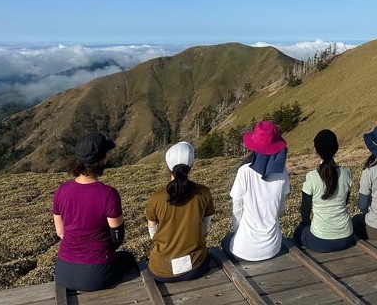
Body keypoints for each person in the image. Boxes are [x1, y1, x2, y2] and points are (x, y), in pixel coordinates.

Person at [52, 133, 136, 291]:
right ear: (102, 159)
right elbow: (117, 237)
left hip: (63, 272)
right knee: (128, 258)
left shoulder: (61, 191)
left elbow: (60, 232)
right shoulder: (108, 194)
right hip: (97, 275)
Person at [145, 142, 214, 282]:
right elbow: (206, 228)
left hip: (161, 270)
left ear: (168, 167)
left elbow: (152, 231)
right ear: (191, 166)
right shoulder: (204, 193)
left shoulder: (156, 198)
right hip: (195, 267)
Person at [225, 121, 290, 261]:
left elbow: (237, 207)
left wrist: (238, 231)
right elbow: (281, 207)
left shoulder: (244, 171)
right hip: (273, 248)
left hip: (245, 250)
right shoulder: (282, 172)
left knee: (225, 242)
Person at [293, 129, 355, 252]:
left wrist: (306, 223)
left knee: (299, 231)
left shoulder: (312, 176)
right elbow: (345, 201)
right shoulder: (346, 173)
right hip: (346, 237)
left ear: (316, 150)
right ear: (336, 148)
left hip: (320, 240)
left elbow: (305, 210)